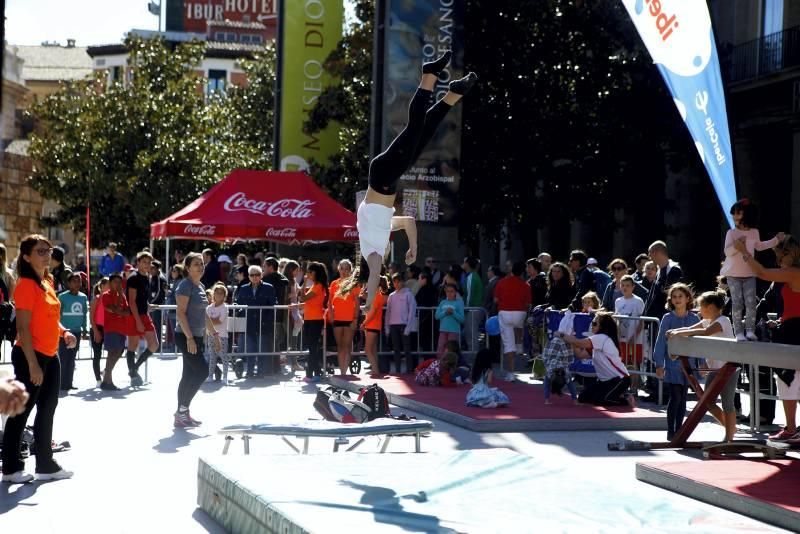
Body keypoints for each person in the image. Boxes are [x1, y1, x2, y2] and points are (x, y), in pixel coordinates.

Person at [358, 50, 478, 311]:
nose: (385, 264)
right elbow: (409, 222)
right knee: (423, 132)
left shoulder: (372, 252)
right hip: (387, 175)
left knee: (415, 129)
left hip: (383, 177)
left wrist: (368, 302)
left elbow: (375, 271)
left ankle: (428, 75)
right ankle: (454, 93)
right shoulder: (378, 232)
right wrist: (414, 248)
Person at [2, 234, 76, 482]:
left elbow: (51, 318)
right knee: (22, 411)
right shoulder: (25, 284)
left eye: (49, 250)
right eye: (41, 251)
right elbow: (23, 328)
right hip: (29, 355)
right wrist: (33, 364)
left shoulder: (48, 280)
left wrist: (64, 332)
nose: (47, 254)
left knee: (48, 408)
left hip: (50, 352)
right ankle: (11, 468)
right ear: (26, 256)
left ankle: (45, 464)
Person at [736, 234, 800, 443]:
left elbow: (762, 272)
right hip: (790, 328)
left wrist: (745, 252)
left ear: (791, 254)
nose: (779, 261)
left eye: (781, 256)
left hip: (794, 332)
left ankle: (791, 429)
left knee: (787, 380)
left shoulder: (792, 273)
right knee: (791, 380)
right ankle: (792, 429)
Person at [667, 290, 738, 442]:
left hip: (728, 368)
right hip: (715, 369)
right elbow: (691, 329)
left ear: (711, 307)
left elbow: (705, 332)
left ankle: (729, 435)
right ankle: (730, 426)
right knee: (708, 402)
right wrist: (674, 331)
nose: (699, 310)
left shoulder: (723, 320)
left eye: (701, 307)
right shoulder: (707, 320)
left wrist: (678, 334)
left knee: (727, 403)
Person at [721, 199, 784, 341]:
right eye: (734, 213)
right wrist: (737, 247)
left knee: (750, 302)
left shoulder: (754, 232)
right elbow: (727, 252)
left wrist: (776, 240)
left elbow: (759, 246)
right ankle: (738, 332)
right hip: (733, 274)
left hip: (750, 273)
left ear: (746, 215)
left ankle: (750, 330)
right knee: (737, 303)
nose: (734, 216)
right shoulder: (731, 233)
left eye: (738, 213)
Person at [173, 252, 220, 427]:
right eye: (195, 264)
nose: (200, 266)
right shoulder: (185, 286)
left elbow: (204, 315)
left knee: (188, 375)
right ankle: (182, 411)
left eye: (201, 263)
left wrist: (214, 335)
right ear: (187, 268)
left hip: (197, 337)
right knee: (202, 371)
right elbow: (180, 313)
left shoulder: (200, 286)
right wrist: (190, 338)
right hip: (186, 336)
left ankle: (182, 414)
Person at [653, 283, 700, 440]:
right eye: (674, 297)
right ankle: (670, 430)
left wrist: (702, 361)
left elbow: (699, 341)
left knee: (683, 399)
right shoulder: (668, 318)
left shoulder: (694, 318)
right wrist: (659, 363)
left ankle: (679, 430)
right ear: (670, 300)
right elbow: (660, 342)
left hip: (688, 365)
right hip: (673, 364)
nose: (677, 299)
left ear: (687, 298)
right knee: (675, 396)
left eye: (681, 296)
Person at [559, 312, 635, 408]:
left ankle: (626, 400)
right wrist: (572, 341)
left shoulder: (601, 338)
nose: (592, 326)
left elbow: (579, 342)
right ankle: (618, 394)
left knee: (601, 400)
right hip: (604, 381)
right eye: (592, 323)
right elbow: (580, 355)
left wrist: (562, 334)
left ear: (602, 326)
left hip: (620, 379)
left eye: (595, 323)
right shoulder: (597, 340)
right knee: (582, 398)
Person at [234, 265, 277, 377]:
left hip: (263, 324)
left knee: (261, 349)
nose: (255, 277)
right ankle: (249, 371)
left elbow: (273, 305)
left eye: (257, 274)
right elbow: (238, 304)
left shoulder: (269, 287)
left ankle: (260, 372)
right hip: (248, 324)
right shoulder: (243, 288)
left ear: (261, 275)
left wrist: (267, 320)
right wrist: (237, 311)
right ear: (248, 276)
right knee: (250, 350)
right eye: (252, 275)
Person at [125, 251, 159, 387]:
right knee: (132, 347)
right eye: (144, 262)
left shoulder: (147, 277)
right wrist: (138, 321)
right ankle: (133, 375)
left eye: (149, 262)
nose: (147, 265)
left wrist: (148, 306)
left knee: (154, 345)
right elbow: (131, 301)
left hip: (144, 315)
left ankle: (134, 368)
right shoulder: (133, 278)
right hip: (134, 316)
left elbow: (141, 298)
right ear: (138, 263)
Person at [494, 261, 532, 381]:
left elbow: (495, 299)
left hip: (504, 312)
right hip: (520, 312)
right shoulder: (526, 285)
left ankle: (511, 373)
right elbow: (528, 303)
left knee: (508, 344)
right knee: (518, 324)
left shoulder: (501, 282)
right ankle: (519, 343)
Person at [296, 262, 328, 382]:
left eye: (310, 272)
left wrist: (304, 282)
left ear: (316, 273)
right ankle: (316, 373)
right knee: (311, 347)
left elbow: (303, 297)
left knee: (312, 348)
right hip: (310, 319)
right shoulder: (315, 285)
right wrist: (305, 282)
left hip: (315, 319)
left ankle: (310, 374)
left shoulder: (318, 286)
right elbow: (302, 297)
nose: (308, 274)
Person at [57, 273, 88, 391]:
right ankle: (60, 383)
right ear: (69, 283)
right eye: (74, 281)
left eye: (79, 281)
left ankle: (69, 383)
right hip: (64, 333)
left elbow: (84, 314)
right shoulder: (62, 297)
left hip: (77, 332)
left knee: (72, 359)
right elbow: (57, 315)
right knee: (63, 358)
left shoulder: (83, 297)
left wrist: (84, 329)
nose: (77, 284)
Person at [100, 274, 130, 390]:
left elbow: (127, 311)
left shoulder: (122, 295)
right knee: (112, 352)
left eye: (119, 282)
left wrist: (119, 311)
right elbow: (114, 308)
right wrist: (119, 307)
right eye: (115, 282)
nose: (118, 284)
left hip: (122, 328)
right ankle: (108, 381)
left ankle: (106, 376)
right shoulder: (106, 296)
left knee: (119, 351)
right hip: (111, 328)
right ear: (110, 283)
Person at [329, 259, 359, 376]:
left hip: (349, 319)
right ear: (338, 269)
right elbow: (330, 302)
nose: (344, 271)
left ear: (350, 270)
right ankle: (342, 372)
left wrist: (355, 319)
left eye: (347, 269)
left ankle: (344, 372)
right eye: (342, 268)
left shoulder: (354, 284)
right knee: (340, 345)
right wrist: (331, 314)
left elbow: (357, 303)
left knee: (347, 345)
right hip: (337, 319)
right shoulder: (334, 284)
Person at [385, 273, 418, 374]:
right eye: (395, 281)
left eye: (399, 281)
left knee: (407, 349)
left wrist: (408, 327)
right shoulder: (391, 296)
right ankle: (398, 370)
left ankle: (409, 370)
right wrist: (387, 327)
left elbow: (412, 311)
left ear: (403, 282)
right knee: (396, 349)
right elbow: (388, 312)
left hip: (404, 325)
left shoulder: (409, 294)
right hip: (393, 325)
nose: (397, 283)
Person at [643, 240, 683, 318]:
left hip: (667, 317)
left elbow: (670, 295)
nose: (649, 257)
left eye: (650, 253)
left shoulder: (674, 270)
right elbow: (652, 296)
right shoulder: (659, 271)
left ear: (656, 253)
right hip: (656, 318)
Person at [362, 274, 390, 378]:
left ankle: (376, 371)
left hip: (372, 326)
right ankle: (375, 370)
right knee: (372, 350)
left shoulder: (376, 296)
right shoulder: (377, 295)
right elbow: (363, 295)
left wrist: (364, 323)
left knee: (368, 350)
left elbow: (372, 312)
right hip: (374, 326)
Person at [615, 275, 645, 367]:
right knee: (623, 363)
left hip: (635, 339)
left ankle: (635, 382)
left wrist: (634, 337)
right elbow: (617, 319)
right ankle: (625, 382)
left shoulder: (638, 301)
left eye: (628, 285)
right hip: (622, 338)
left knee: (634, 364)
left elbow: (642, 321)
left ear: (633, 287)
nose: (625, 288)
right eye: (623, 285)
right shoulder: (618, 301)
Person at [206, 283, 231, 384]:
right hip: (211, 336)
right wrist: (210, 320)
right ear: (213, 294)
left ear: (224, 296)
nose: (219, 295)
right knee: (212, 357)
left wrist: (209, 320)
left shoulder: (225, 307)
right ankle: (210, 376)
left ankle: (225, 377)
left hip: (222, 337)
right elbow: (207, 321)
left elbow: (219, 321)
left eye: (221, 293)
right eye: (216, 293)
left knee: (223, 357)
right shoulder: (209, 307)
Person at [282, 260, 304, 371]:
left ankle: (293, 362)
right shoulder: (286, 281)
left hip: (295, 313)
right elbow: (285, 297)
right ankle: (292, 362)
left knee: (294, 338)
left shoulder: (293, 280)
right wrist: (293, 295)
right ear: (291, 270)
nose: (298, 272)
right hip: (289, 313)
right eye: (296, 270)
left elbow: (297, 292)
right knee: (291, 338)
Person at [89, 277, 109, 388]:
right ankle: (98, 379)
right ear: (101, 287)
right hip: (97, 328)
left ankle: (106, 370)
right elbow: (91, 318)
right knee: (97, 355)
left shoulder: (111, 299)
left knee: (117, 350)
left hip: (108, 329)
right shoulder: (96, 299)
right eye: (107, 285)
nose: (109, 288)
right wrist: (96, 331)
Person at [435, 284, 465, 357]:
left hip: (454, 331)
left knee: (452, 350)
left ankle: (451, 366)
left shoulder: (459, 303)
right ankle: (440, 365)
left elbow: (462, 319)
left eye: (452, 291)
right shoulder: (442, 302)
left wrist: (453, 313)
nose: (449, 293)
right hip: (443, 330)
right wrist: (445, 312)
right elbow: (436, 316)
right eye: (448, 291)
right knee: (440, 349)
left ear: (455, 292)